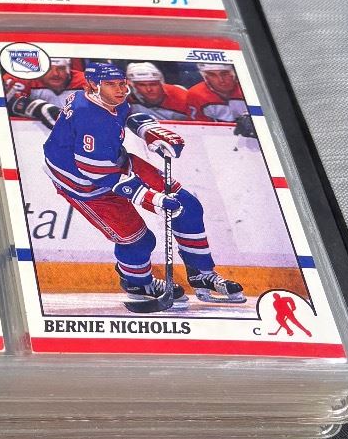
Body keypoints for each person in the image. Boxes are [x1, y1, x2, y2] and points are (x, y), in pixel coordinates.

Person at [41, 61, 244, 312]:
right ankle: (138, 284)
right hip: (83, 184)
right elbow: (98, 174)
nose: (120, 90)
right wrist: (153, 200)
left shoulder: (104, 97)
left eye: (122, 83)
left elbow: (125, 116)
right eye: (111, 84)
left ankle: (202, 273)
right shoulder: (89, 118)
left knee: (188, 206)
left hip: (113, 161)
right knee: (138, 241)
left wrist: (149, 131)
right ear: (92, 85)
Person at [124, 62, 195, 121]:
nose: (149, 89)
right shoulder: (127, 96)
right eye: (142, 85)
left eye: (153, 84)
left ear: (161, 83)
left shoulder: (182, 97)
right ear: (133, 86)